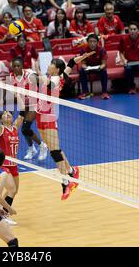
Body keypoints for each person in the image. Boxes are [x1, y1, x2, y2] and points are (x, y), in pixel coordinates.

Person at [34, 58, 80, 200]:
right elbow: (70, 64)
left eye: (51, 64)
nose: (49, 66)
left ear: (56, 69)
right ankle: (72, 171)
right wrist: (80, 57)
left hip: (49, 118)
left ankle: (65, 182)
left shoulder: (54, 80)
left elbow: (47, 83)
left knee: (54, 152)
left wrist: (38, 72)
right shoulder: (58, 76)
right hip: (39, 116)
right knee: (55, 148)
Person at [0, 86, 24, 225]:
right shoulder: (1, 130)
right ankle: (4, 214)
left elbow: (22, 112)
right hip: (4, 165)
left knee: (14, 191)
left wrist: (18, 95)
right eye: (5, 114)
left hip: (14, 165)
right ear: (2, 119)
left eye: (9, 114)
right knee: (12, 189)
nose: (8, 114)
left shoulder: (14, 128)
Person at [8, 56, 48, 161]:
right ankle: (32, 149)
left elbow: (44, 82)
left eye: (18, 66)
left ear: (22, 67)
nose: (16, 68)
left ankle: (42, 146)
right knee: (24, 130)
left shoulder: (30, 75)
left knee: (25, 127)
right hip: (24, 104)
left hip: (35, 103)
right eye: (14, 66)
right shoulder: (11, 77)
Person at [118, 23, 139, 97]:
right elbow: (120, 52)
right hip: (129, 62)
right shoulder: (123, 40)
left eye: (134, 29)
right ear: (128, 31)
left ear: (138, 30)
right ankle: (132, 87)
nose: (132, 31)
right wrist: (124, 60)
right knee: (128, 69)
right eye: (131, 29)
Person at [77, 34, 109, 100]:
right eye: (90, 41)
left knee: (104, 71)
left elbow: (104, 64)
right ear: (87, 42)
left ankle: (104, 92)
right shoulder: (84, 50)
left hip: (99, 68)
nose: (92, 43)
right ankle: (85, 92)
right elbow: (83, 63)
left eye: (94, 41)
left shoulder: (101, 50)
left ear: (97, 42)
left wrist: (100, 67)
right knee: (81, 71)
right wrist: (85, 67)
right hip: (88, 68)